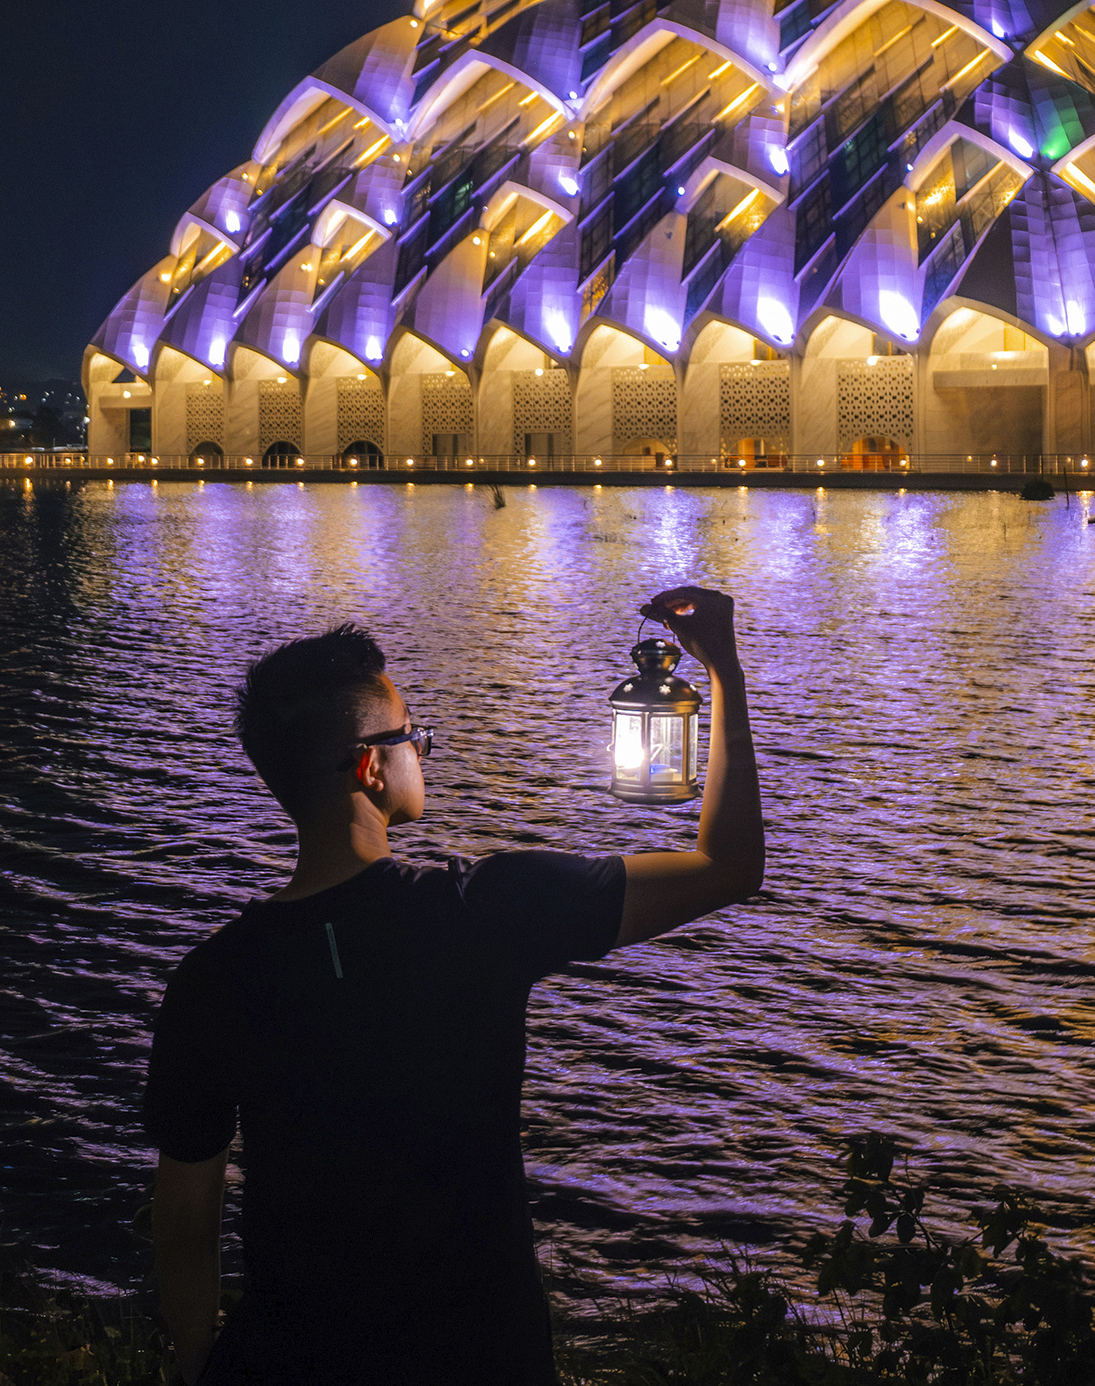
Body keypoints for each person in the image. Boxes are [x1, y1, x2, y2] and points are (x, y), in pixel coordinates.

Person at [143, 586, 762, 1385]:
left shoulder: (213, 977)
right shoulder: (483, 913)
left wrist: (200, 1363)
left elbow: (186, 1214)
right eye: (413, 737)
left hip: (291, 1358)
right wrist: (724, 675)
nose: (422, 752)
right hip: (479, 1353)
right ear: (371, 766)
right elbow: (730, 866)